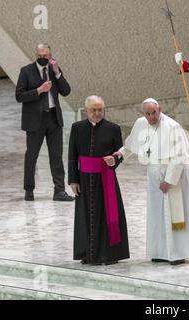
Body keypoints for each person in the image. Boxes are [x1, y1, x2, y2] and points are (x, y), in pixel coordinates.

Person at [115, 98, 189, 265]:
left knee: (175, 214)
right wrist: (120, 155)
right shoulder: (141, 124)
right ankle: (161, 251)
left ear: (160, 110)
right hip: (154, 173)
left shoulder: (172, 127)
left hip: (175, 174)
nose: (151, 117)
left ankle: (178, 253)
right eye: (147, 114)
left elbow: (179, 156)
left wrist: (169, 180)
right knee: (157, 213)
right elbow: (130, 144)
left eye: (154, 113)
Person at [68, 96, 129, 265]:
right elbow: (72, 156)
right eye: (93, 110)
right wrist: (73, 180)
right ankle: (87, 252)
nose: (97, 113)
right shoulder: (77, 128)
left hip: (105, 179)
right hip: (84, 179)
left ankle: (108, 254)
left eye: (100, 109)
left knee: (107, 216)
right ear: (86, 110)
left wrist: (115, 160)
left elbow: (120, 153)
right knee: (86, 216)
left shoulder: (113, 128)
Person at [15, 44, 74, 201]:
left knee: (56, 156)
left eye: (45, 56)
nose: (42, 58)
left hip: (53, 118)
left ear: (50, 57)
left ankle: (59, 191)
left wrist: (57, 72)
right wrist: (39, 90)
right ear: (36, 55)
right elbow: (19, 96)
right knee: (32, 156)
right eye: (39, 56)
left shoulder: (55, 71)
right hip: (35, 120)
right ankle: (29, 190)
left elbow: (66, 91)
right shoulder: (26, 71)